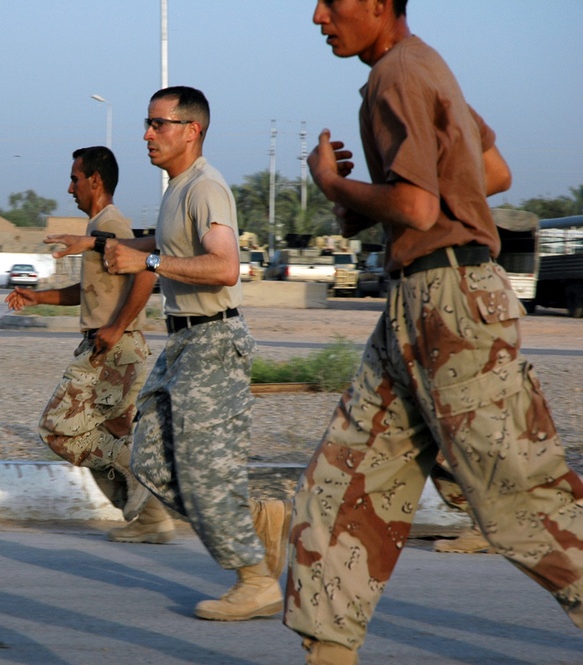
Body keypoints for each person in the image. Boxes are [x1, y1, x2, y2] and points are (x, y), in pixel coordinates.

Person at [285, 2, 583, 663]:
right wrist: (358, 202)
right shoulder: (424, 67)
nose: (318, 15)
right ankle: (328, 651)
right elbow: (490, 174)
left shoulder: (399, 75)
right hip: (419, 301)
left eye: (334, 2)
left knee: (520, 500)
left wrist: (335, 182)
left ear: (381, 6)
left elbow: (419, 205)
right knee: (341, 485)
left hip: (448, 301)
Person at [55, 86, 291, 621]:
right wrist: (95, 245)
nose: (147, 134)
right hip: (181, 342)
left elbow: (224, 266)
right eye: (148, 123)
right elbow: (154, 244)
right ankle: (255, 523)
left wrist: (152, 264)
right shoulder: (176, 190)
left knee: (206, 472)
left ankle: (254, 579)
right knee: (151, 464)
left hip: (213, 342)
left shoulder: (207, 188)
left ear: (192, 130)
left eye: (158, 124)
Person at [6, 146, 173, 543]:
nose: (70, 188)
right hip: (110, 345)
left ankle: (135, 476)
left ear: (95, 180)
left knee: (57, 430)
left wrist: (116, 327)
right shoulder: (99, 225)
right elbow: (89, 291)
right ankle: (152, 520)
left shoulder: (112, 224)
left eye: (75, 179)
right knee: (112, 433)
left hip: (113, 348)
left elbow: (147, 276)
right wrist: (38, 297)